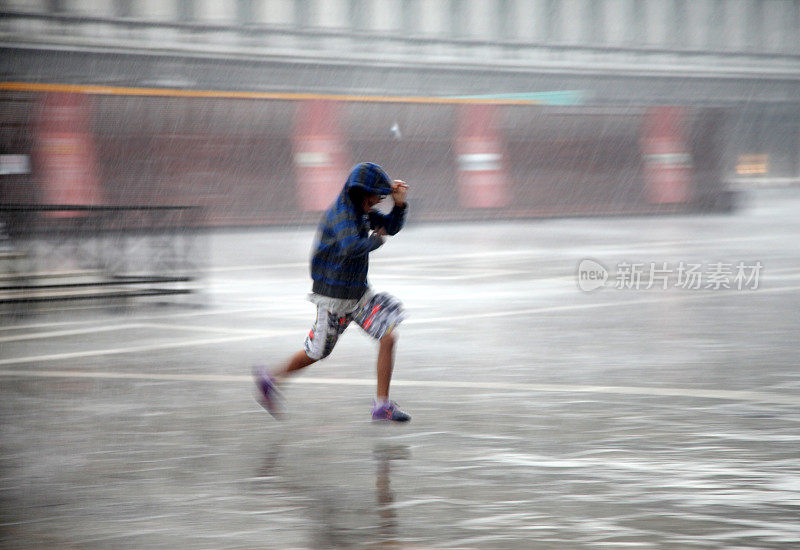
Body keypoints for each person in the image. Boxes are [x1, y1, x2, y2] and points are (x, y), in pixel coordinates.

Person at [254, 162, 411, 422]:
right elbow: (350, 245)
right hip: (333, 299)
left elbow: (390, 227)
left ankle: (382, 405)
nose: (377, 203)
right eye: (376, 197)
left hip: (358, 296)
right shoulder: (341, 215)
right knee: (316, 353)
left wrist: (399, 205)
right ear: (362, 193)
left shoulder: (362, 211)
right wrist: (375, 240)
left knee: (388, 337)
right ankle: (270, 380)